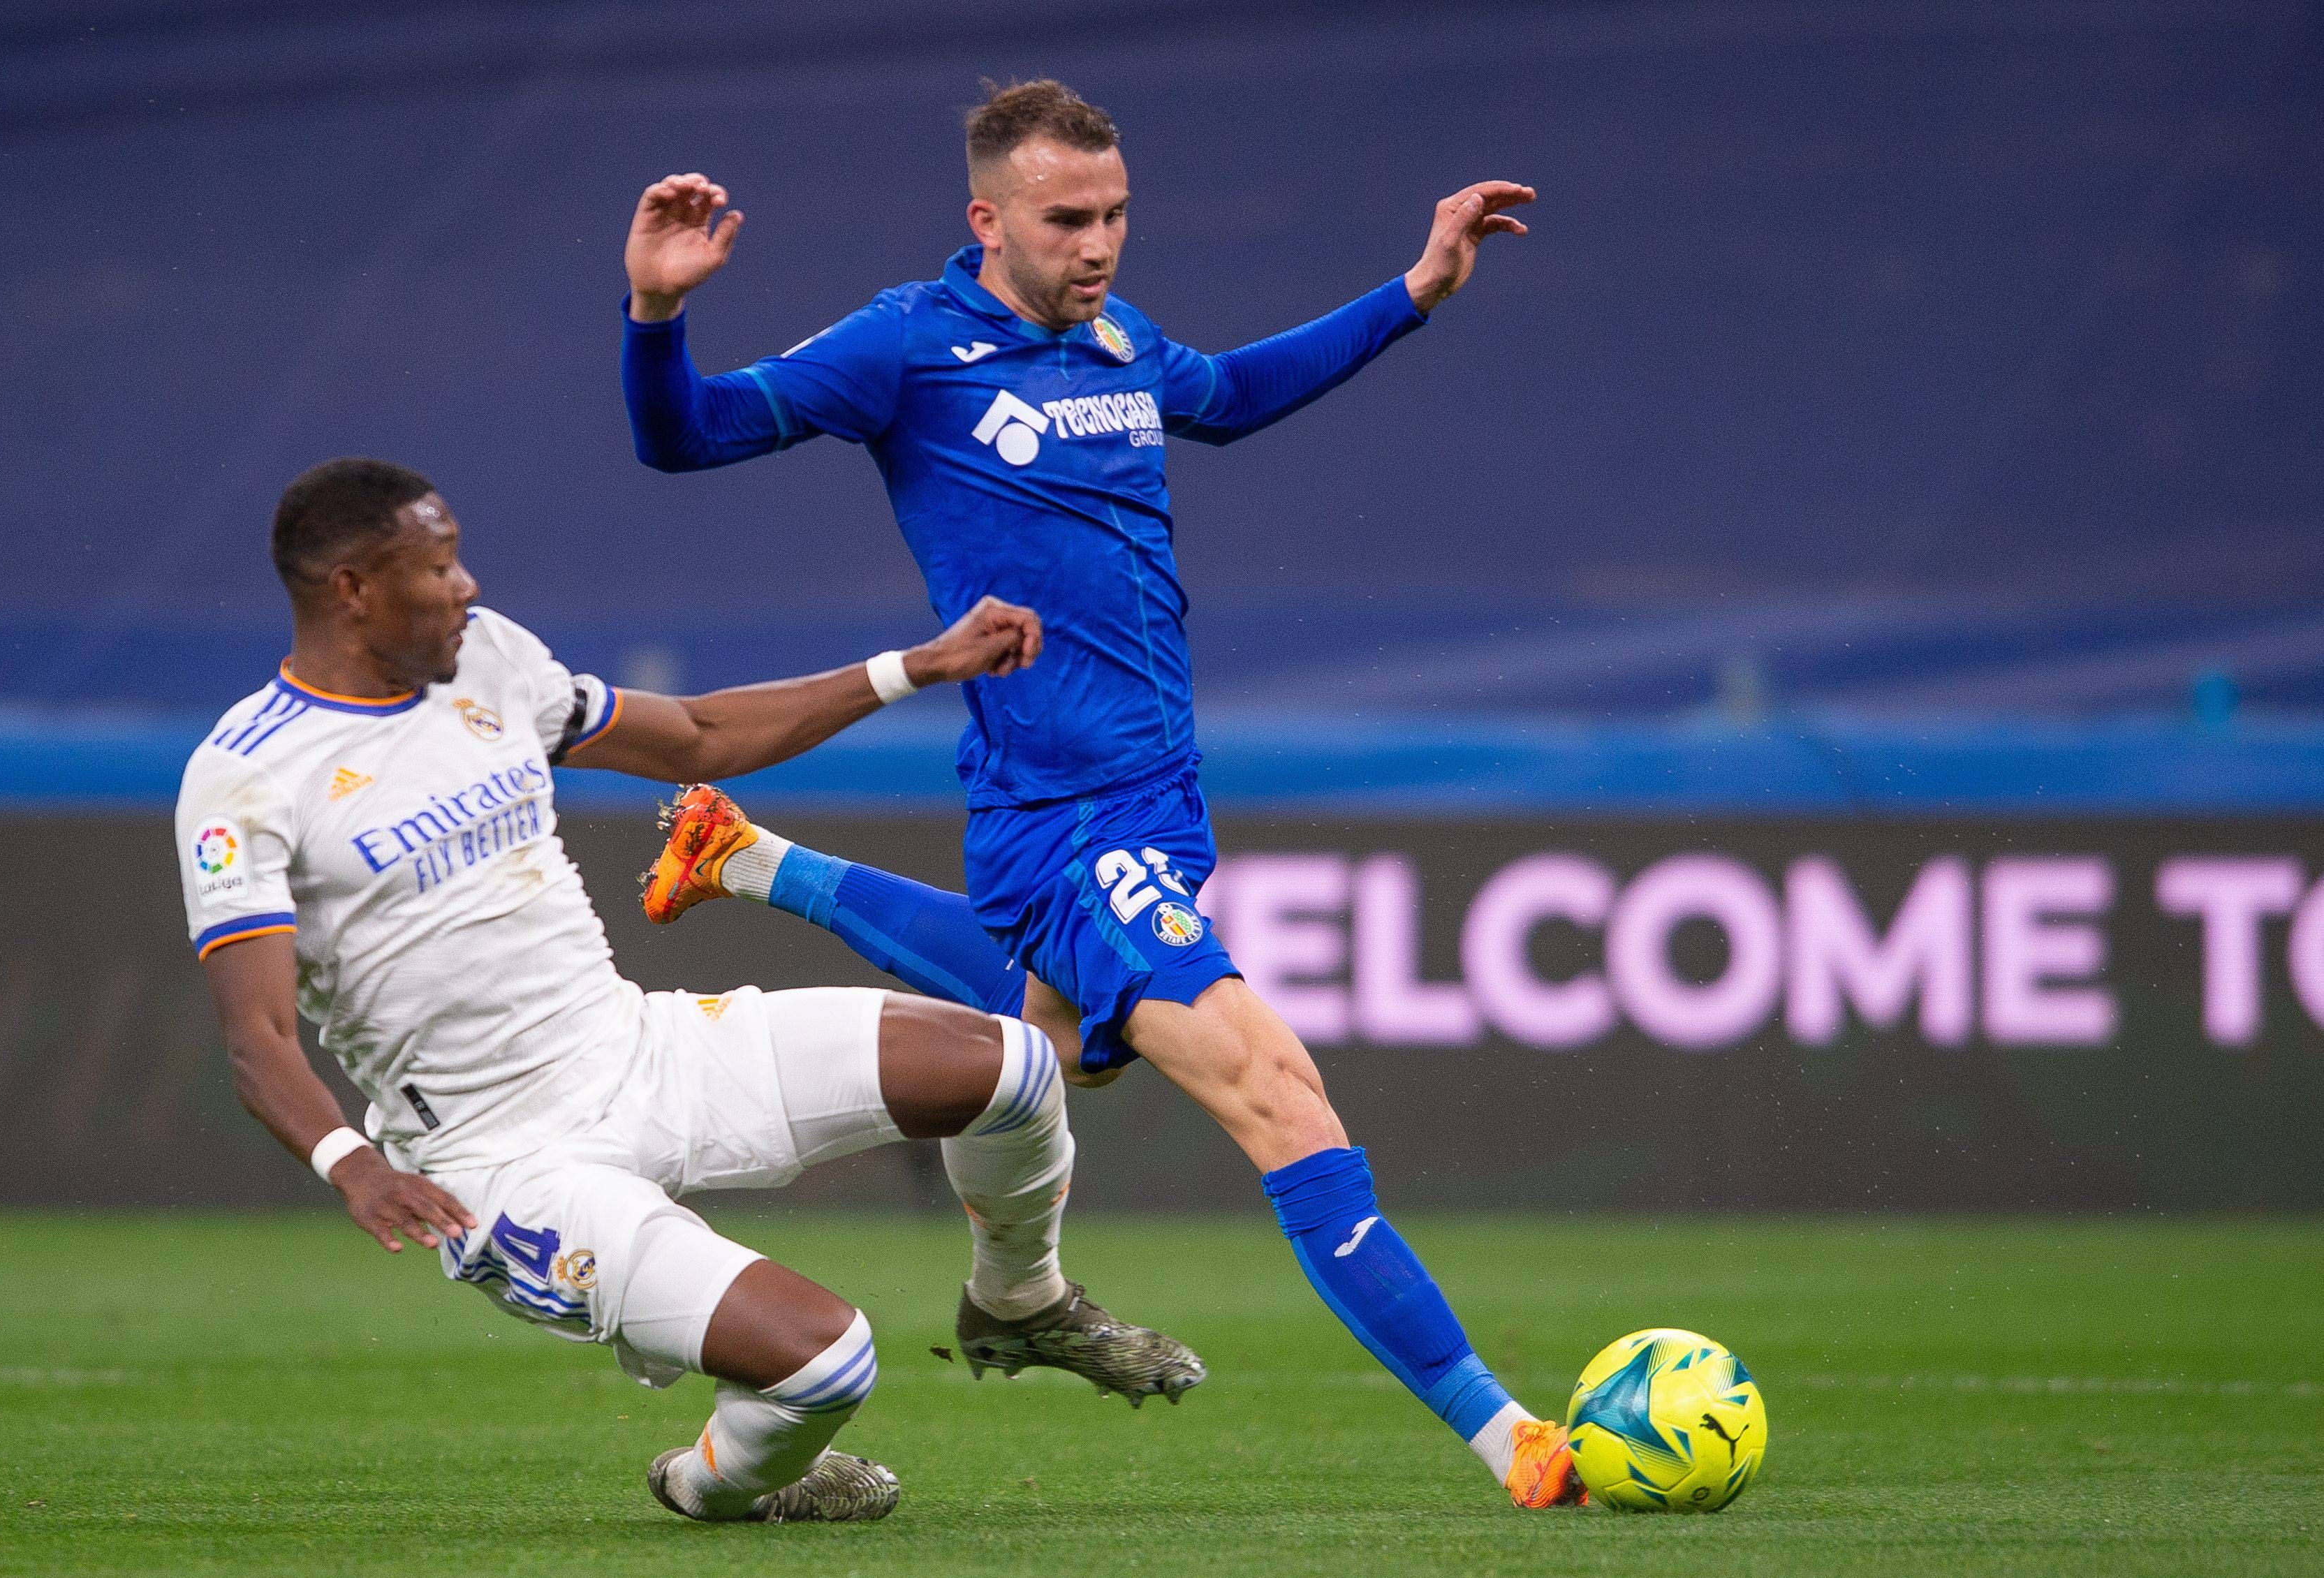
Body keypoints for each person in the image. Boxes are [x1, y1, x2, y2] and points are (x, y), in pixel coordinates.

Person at [616, 80, 1581, 1505]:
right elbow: (684, 435)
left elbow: (1236, 397)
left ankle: (749, 859)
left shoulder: (1116, 337)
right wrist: (655, 315)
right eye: (1068, 218)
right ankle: (1515, 1439)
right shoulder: (907, 346)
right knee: (1277, 1092)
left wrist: (1415, 290)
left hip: (1150, 809)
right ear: (986, 218)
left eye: (1117, 213)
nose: (1101, 243)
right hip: (1069, 825)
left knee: (1041, 1051)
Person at [178, 457, 1201, 1526]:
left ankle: (1019, 1302)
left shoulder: (491, 661)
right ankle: (712, 1483)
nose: (466, 585)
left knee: (1017, 1066)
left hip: (641, 1050)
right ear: (351, 589)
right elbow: (255, 1035)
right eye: (436, 567)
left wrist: (920, 665)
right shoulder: (247, 776)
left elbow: (702, 737)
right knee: (829, 1361)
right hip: (506, 1162)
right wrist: (351, 1165)